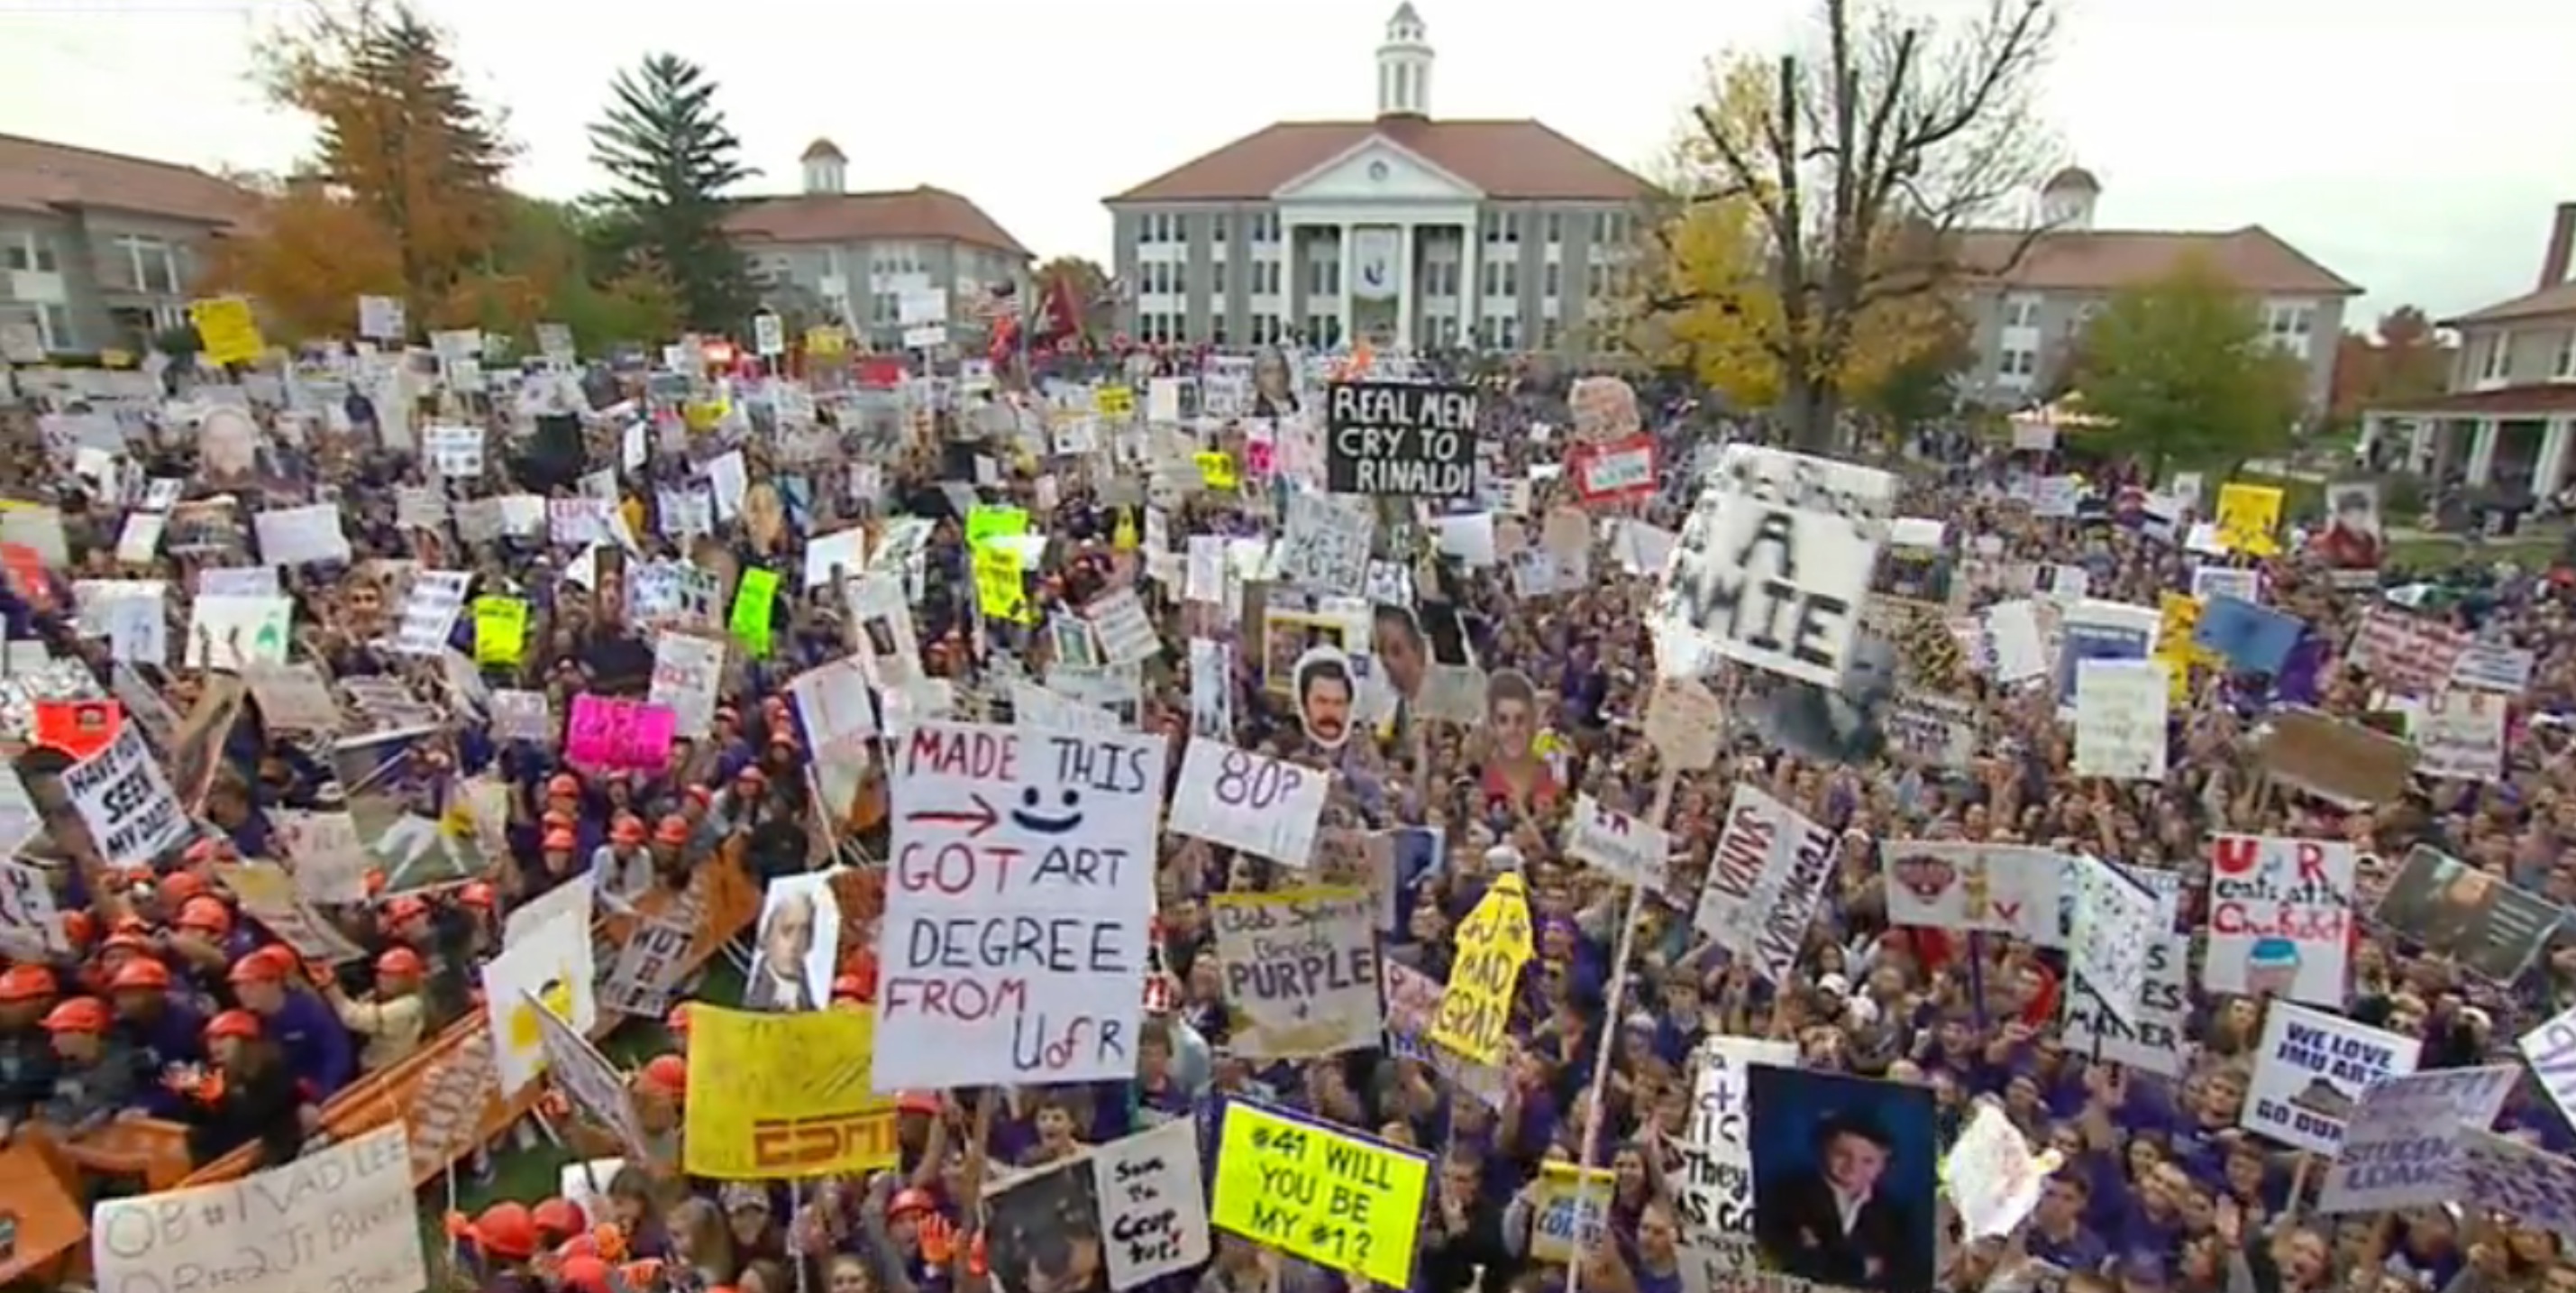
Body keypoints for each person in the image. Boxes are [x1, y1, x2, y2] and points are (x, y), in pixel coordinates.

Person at [1753, 1109, 1923, 1292]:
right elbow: (1787, 1259)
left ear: (1883, 1165)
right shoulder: (1788, 1195)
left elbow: (1905, 1273)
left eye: (1868, 1161)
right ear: (1822, 1150)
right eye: (1842, 1154)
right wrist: (1863, 1268)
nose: (1853, 1167)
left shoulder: (1893, 1214)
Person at [744, 889, 819, 1013]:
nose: (795, 943)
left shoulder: (811, 1000)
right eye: (787, 931)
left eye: (804, 932)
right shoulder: (753, 996)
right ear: (766, 936)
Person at [1294, 648, 1355, 749]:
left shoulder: (1366, 751)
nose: (1330, 711)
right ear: (1304, 704)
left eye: (1338, 703)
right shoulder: (1287, 741)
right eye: (1322, 701)